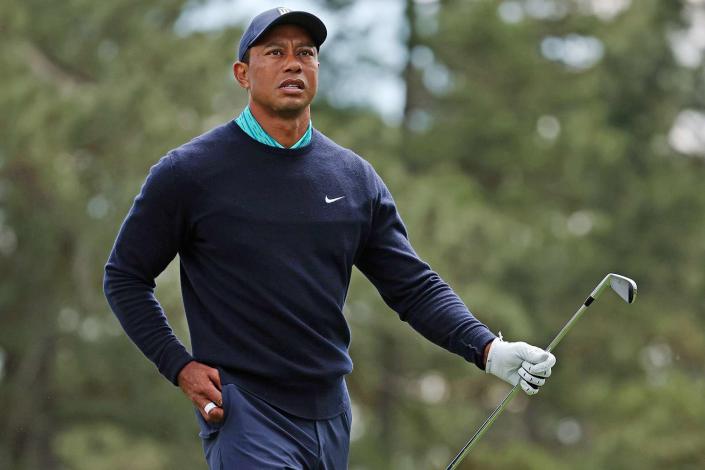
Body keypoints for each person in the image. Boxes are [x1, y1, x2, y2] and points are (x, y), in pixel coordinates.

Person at [103, 7, 556, 469]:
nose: (293, 63)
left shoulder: (353, 178)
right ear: (243, 73)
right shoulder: (190, 173)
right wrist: (178, 366)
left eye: (306, 53)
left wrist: (488, 349)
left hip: (332, 415)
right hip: (246, 412)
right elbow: (124, 276)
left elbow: (413, 286)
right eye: (275, 52)